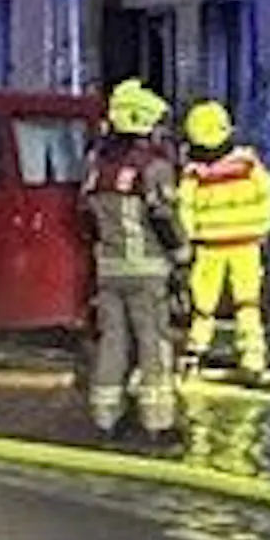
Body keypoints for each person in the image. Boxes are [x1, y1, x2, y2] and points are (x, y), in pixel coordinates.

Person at [79, 78, 192, 442]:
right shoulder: (154, 168)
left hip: (108, 271)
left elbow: (84, 217)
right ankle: (157, 422)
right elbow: (164, 218)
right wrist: (182, 256)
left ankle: (106, 418)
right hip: (147, 271)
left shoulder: (97, 165)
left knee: (112, 342)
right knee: (153, 344)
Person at [177, 98, 270, 381]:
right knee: (248, 302)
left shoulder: (194, 172)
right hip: (247, 243)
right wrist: (262, 229)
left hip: (209, 246)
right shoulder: (248, 163)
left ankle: (195, 352)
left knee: (203, 303)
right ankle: (252, 357)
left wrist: (189, 239)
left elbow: (184, 209)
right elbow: (268, 197)